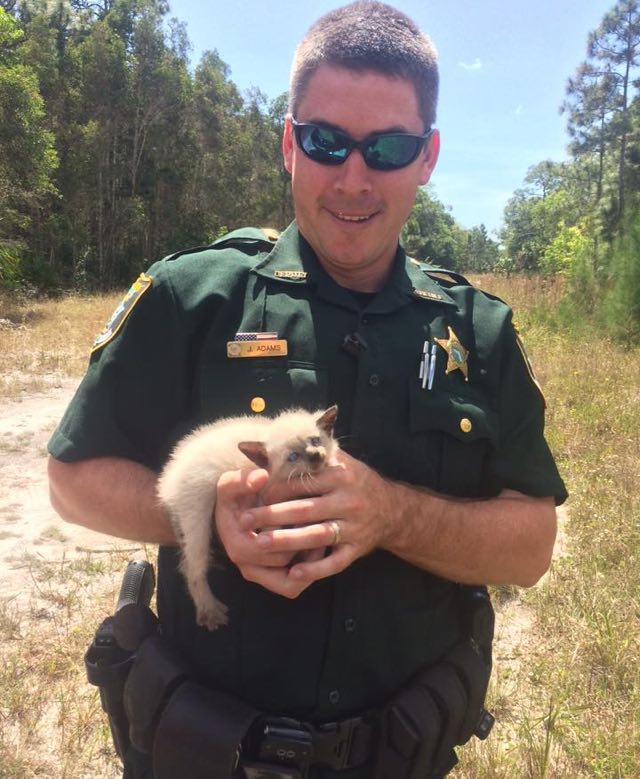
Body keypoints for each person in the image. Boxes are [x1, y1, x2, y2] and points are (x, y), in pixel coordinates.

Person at [47, 3, 567, 778]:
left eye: (387, 148)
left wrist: (391, 514)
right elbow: (72, 481)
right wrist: (212, 515)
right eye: (327, 141)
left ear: (427, 157)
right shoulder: (194, 296)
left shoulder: (477, 331)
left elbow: (531, 546)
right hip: (205, 745)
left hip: (407, 752)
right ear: (290, 143)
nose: (354, 177)